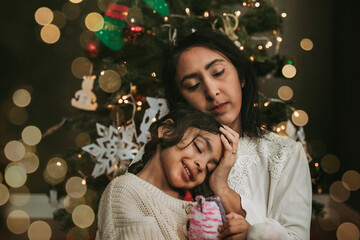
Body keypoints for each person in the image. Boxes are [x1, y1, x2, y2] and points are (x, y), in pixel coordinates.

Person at [162, 29, 312, 240]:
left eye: (218, 72)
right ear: (181, 100)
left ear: (241, 76)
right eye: (193, 85)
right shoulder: (170, 151)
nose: (212, 91)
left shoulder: (285, 154)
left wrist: (223, 190)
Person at [97, 107, 239, 240]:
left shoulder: (199, 210)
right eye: (198, 147)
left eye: (209, 168)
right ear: (167, 131)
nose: (202, 165)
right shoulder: (124, 190)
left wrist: (220, 184)